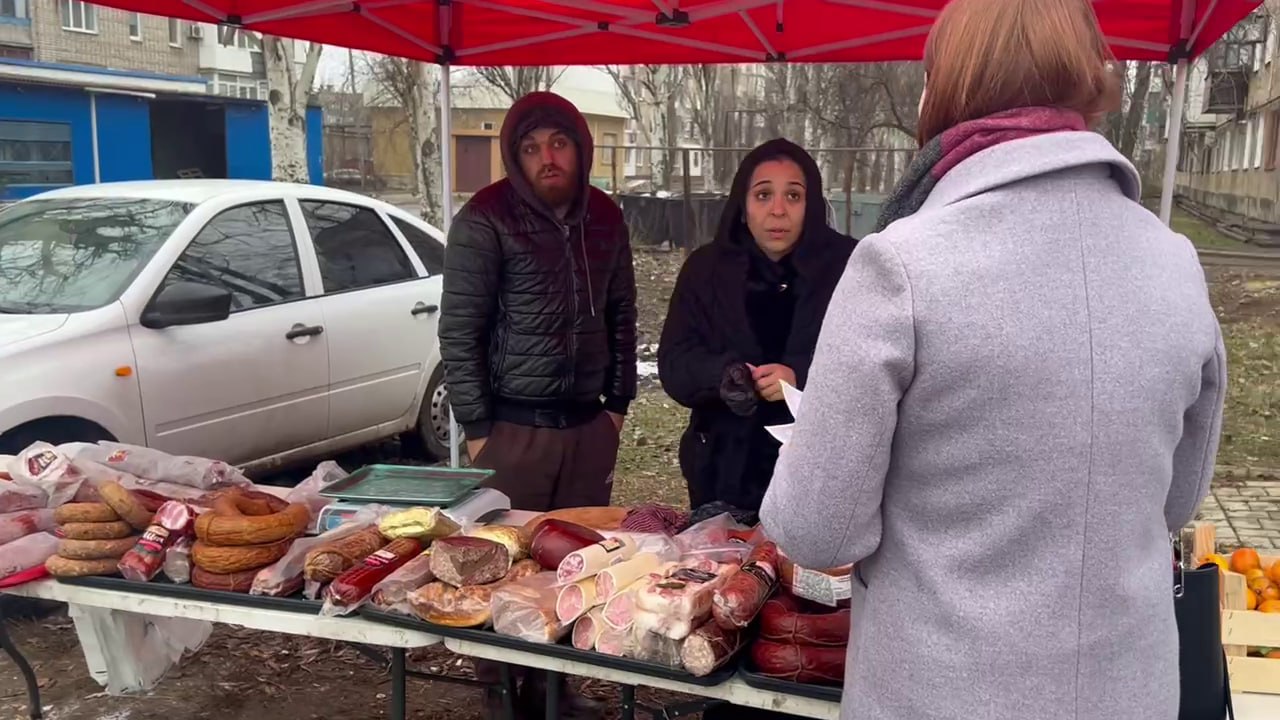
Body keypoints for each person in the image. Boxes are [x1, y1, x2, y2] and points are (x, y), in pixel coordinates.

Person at [758, 0, 1226, 719]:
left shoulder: (902, 264)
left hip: (943, 693)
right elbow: (1177, 498)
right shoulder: (1176, 262)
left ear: (945, 84)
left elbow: (820, 529)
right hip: (1127, 691)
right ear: (1086, 74)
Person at [439, 90, 637, 719]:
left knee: (573, 568)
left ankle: (559, 689)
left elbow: (625, 314)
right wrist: (477, 430)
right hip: (511, 429)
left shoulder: (606, 216)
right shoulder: (485, 218)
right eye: (530, 148)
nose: (546, 158)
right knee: (498, 565)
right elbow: (459, 330)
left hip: (586, 427)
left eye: (558, 143)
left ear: (581, 148)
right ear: (514, 157)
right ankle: (503, 694)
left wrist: (617, 407)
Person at [658, 138, 856, 515]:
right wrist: (725, 375)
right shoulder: (706, 269)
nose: (778, 210)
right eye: (763, 195)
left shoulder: (848, 266)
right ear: (743, 205)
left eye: (793, 197)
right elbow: (675, 363)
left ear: (811, 205)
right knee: (727, 572)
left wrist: (800, 377)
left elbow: (868, 361)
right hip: (722, 470)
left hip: (818, 474)